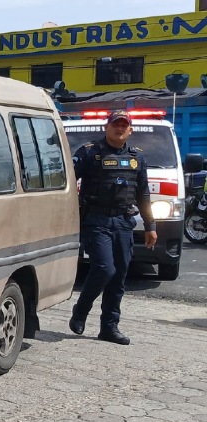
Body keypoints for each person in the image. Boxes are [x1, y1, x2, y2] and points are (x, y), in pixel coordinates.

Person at [68, 110, 155, 345]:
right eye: (115, 124)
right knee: (105, 268)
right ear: (106, 127)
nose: (119, 128)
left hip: (123, 222)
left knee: (120, 276)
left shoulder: (137, 158)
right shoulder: (89, 153)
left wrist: (150, 225)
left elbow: (143, 193)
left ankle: (109, 327)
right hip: (96, 220)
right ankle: (81, 310)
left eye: (124, 125)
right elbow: (67, 182)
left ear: (130, 130)